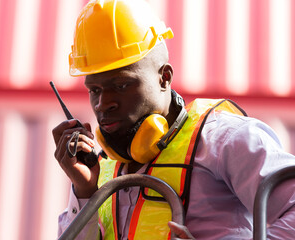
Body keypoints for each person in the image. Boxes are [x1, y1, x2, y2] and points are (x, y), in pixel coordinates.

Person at [53, 0, 295, 239]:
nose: (103, 104)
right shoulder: (102, 167)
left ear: (164, 78)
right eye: (94, 90)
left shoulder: (225, 141)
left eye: (122, 84)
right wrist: (84, 190)